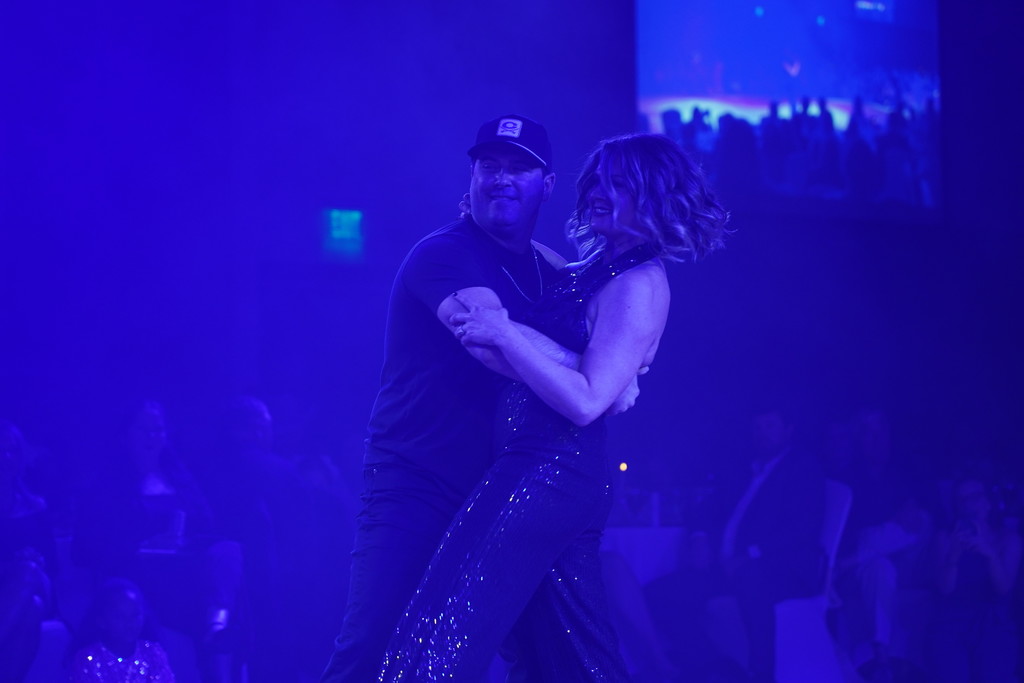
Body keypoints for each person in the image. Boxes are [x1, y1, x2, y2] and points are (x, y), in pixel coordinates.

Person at [378, 132, 729, 681]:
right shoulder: (596, 265)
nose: (600, 193)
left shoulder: (639, 281)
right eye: (597, 179)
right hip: (548, 471)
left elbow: (588, 400)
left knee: (441, 627)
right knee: (571, 660)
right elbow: (583, 360)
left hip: (547, 471)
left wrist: (505, 330)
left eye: (620, 185)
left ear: (654, 196)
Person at [320, 114, 572, 683]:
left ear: (547, 185)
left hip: (496, 495)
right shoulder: (444, 253)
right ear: (473, 176)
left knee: (506, 656)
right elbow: (491, 343)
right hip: (415, 485)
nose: (502, 178)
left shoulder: (550, 270)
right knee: (371, 647)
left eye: (519, 168)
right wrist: (596, 375)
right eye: (490, 165)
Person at [926, 477, 1020, 682]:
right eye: (963, 499)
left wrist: (991, 555)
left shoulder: (1009, 539)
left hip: (993, 624)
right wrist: (954, 554)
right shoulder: (944, 538)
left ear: (987, 501)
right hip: (950, 625)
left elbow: (1003, 589)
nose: (970, 503)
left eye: (975, 496)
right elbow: (944, 589)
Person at [68, 577, 175, 682]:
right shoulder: (88, 659)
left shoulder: (153, 653)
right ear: (101, 621)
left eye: (135, 615)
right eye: (120, 616)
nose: (129, 623)